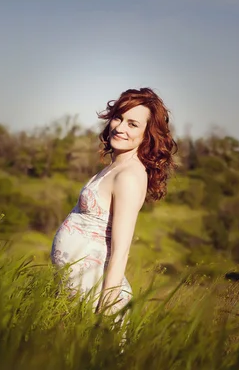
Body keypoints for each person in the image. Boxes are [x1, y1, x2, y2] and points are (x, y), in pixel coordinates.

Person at [50, 87, 178, 317]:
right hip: (79, 292)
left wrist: (105, 310)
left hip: (96, 297)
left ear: (147, 134)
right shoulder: (116, 167)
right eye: (118, 118)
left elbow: (121, 251)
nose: (120, 128)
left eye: (133, 124)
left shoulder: (128, 176)